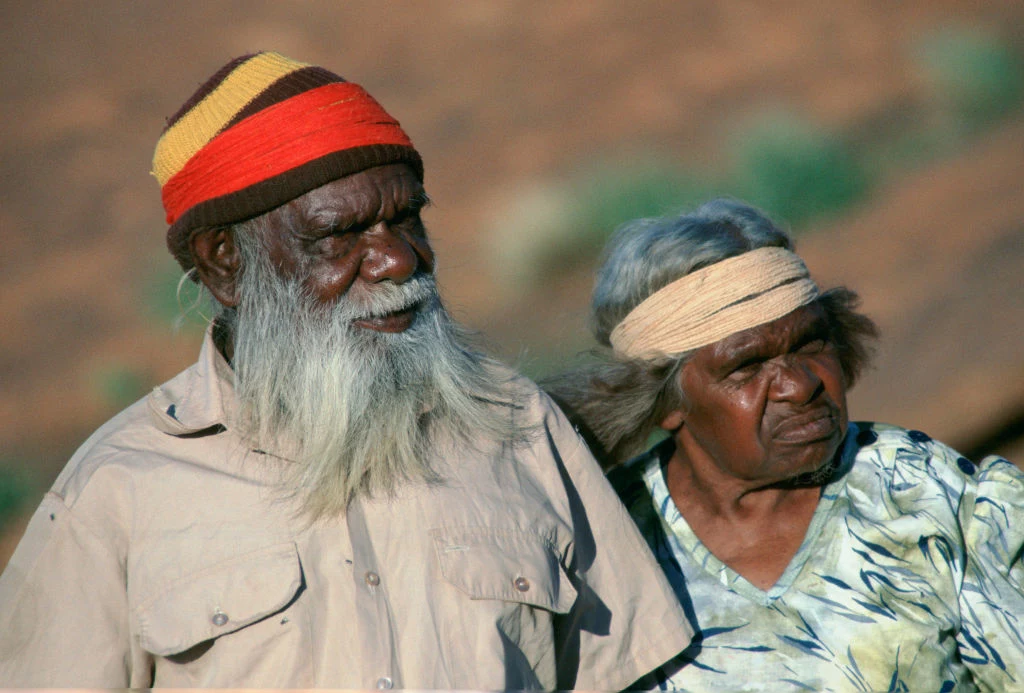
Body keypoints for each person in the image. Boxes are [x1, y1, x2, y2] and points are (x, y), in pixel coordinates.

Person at [0, 51, 693, 688]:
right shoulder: (115, 493)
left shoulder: (513, 424)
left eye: (407, 220)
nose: (398, 261)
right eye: (339, 234)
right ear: (224, 264)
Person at [547, 198, 1024, 691]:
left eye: (811, 344)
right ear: (667, 402)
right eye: (747, 367)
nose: (800, 385)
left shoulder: (925, 492)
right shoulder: (604, 551)